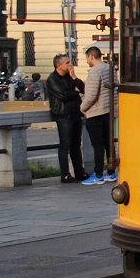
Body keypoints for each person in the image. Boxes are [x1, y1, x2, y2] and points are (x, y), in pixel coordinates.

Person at [78, 46, 116, 185]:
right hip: (109, 110)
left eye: (87, 58)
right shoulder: (109, 68)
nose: (87, 61)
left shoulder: (94, 71)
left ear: (91, 56)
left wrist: (83, 107)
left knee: (97, 145)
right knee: (108, 143)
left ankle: (98, 174)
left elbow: (92, 94)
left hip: (96, 112)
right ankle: (111, 173)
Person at [45, 54, 86, 184]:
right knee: (65, 145)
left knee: (76, 144)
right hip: (63, 115)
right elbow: (64, 95)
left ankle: (79, 172)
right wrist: (75, 91)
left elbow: (83, 88)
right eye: (67, 62)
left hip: (75, 113)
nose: (70, 65)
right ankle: (65, 174)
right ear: (59, 65)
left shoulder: (70, 76)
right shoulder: (52, 79)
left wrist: (74, 77)